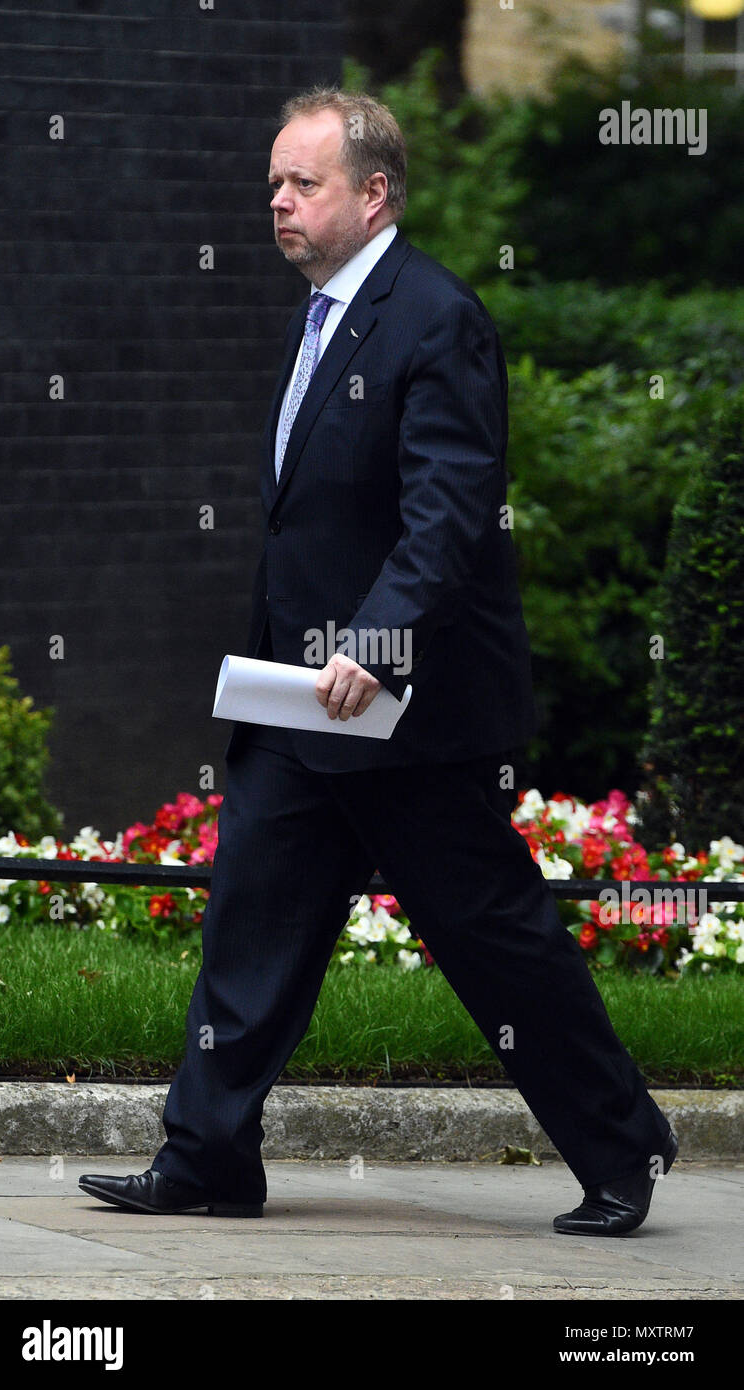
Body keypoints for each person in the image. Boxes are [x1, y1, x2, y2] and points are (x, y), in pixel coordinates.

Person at [79, 87, 677, 1234]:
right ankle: (205, 1157)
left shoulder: (434, 317)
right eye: (272, 184)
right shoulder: (317, 320)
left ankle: (619, 1151)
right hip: (300, 706)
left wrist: (378, 644)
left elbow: (449, 515)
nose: (278, 202)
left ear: (374, 193)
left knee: (497, 941)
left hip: (410, 715)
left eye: (302, 183)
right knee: (249, 923)